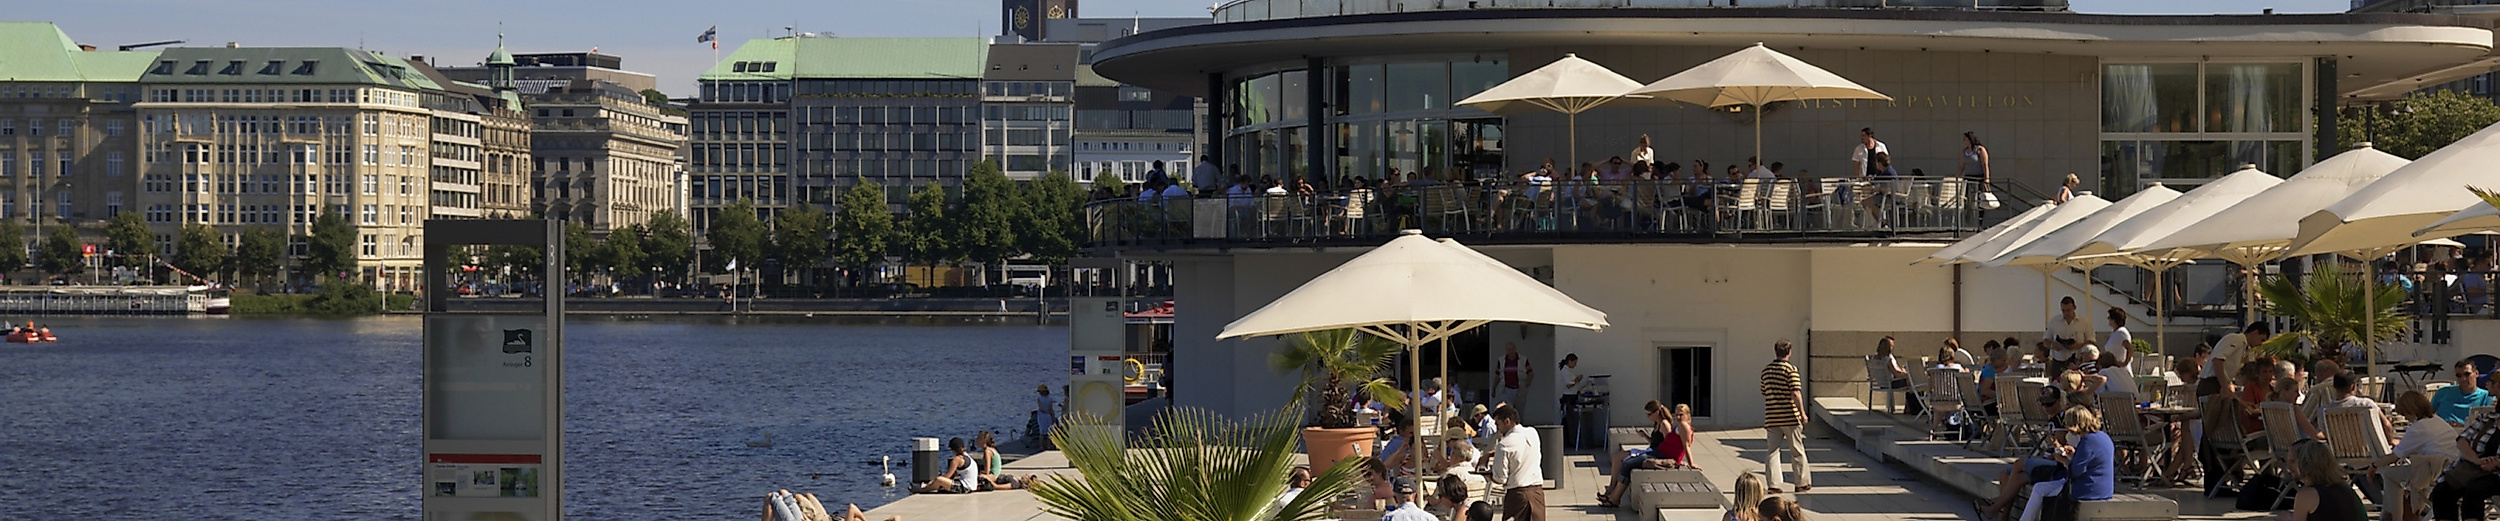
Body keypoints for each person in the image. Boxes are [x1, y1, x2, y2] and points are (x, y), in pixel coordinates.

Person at [2369, 392, 2459, 521]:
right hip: (2451, 467)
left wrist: (2374, 465)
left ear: (2411, 410)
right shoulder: (2437, 420)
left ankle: (2396, 517)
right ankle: (2407, 513)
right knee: (2414, 474)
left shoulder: (2418, 428)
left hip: (2436, 470)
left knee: (2390, 474)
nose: (2406, 418)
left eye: (2406, 414)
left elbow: (2395, 457)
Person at [1598, 400, 1682, 507]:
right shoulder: (1657, 423)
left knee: (1627, 464)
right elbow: (1656, 442)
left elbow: (1668, 444)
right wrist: (1645, 436)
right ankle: (1611, 491)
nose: (1648, 417)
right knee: (1617, 456)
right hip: (1652, 451)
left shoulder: (1664, 424)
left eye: (1649, 414)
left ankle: (1615, 498)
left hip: (1658, 454)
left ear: (1657, 412)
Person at [1762, 339, 1811, 492]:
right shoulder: (1791, 370)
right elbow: (1795, 392)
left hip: (1772, 417)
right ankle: (1801, 482)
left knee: (1772, 451)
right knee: (1797, 450)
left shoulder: (1766, 370)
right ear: (1789, 352)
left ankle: (1774, 485)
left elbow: (1764, 392)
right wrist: (1802, 413)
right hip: (1790, 416)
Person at [1488, 404, 1546, 521]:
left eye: (1497, 424)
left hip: (1517, 494)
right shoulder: (1532, 433)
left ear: (1507, 421)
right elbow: (1520, 449)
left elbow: (1500, 478)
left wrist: (1488, 474)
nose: (1497, 428)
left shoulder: (1503, 445)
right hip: (1537, 493)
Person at [2287, 439, 2368, 521]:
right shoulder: (2346, 490)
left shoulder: (2306, 494)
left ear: (2306, 463)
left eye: (2292, 461)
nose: (2288, 467)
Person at [2200, 323, 2271, 398]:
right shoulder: (2237, 339)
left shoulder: (2245, 347)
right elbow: (2217, 360)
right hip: (2211, 383)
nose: (2260, 344)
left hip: (2219, 383)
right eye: (2262, 340)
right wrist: (2224, 386)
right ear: (2255, 333)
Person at [2434, 360, 2493, 425]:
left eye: (2467, 374)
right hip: (2441, 431)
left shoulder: (2487, 397)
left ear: (2476, 374)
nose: (2463, 379)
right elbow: (2428, 414)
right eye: (2459, 375)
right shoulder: (2443, 392)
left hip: (2469, 433)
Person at [911, 437, 976, 494]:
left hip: (965, 488)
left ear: (953, 449)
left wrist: (933, 481)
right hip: (972, 486)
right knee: (940, 481)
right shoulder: (967, 456)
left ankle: (923, 490)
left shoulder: (957, 460)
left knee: (939, 480)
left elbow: (947, 476)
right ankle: (928, 486)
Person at [1496, 342, 1534, 408]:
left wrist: (1528, 383)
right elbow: (1497, 375)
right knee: (1508, 410)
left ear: (1515, 349)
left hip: (1519, 389)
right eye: (1509, 349)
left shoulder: (1523, 359)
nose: (1511, 351)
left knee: (1519, 412)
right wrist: (1494, 388)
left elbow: (1530, 372)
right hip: (1506, 389)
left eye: (1512, 349)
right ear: (1506, 350)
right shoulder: (1501, 360)